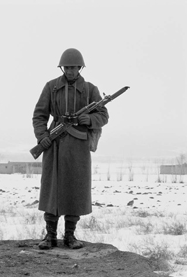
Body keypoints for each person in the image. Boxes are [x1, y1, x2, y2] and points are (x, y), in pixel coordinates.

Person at [32, 48, 109, 250]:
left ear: (80, 68)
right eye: (67, 67)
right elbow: (39, 116)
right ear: (62, 67)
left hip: (78, 147)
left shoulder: (91, 89)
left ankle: (70, 236)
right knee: (52, 190)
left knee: (75, 190)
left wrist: (89, 119)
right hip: (55, 146)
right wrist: (43, 137)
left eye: (74, 67)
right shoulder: (51, 87)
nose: (71, 71)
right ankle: (49, 236)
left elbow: (103, 116)